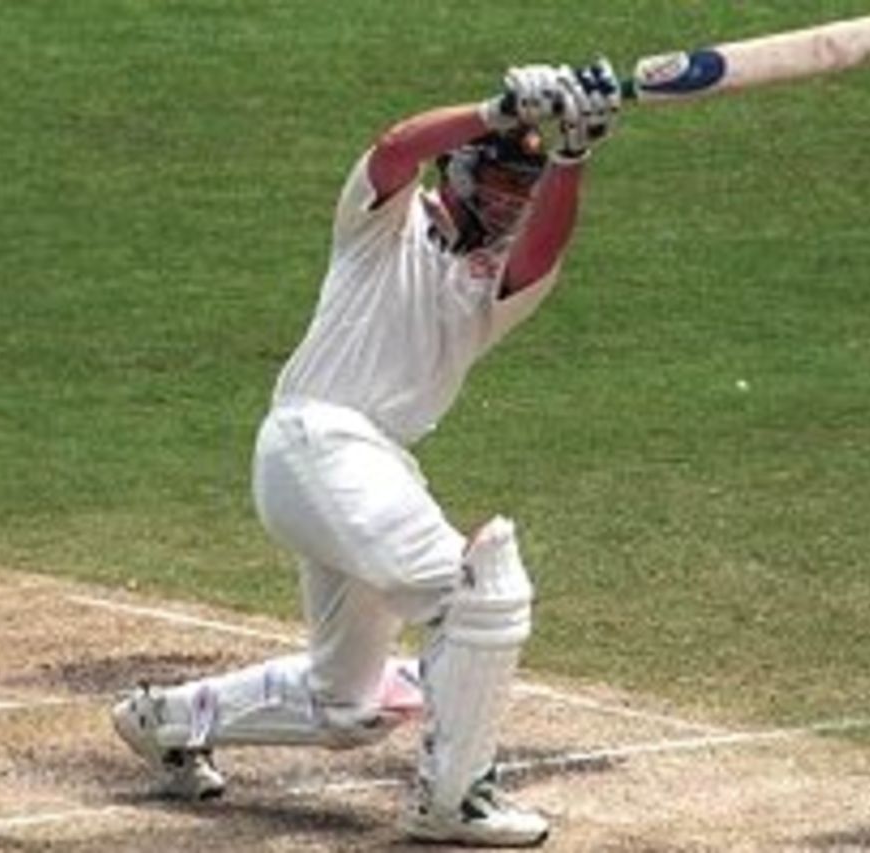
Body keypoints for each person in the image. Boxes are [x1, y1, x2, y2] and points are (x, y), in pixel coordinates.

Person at [113, 60, 621, 847]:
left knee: (344, 704)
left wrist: (572, 156)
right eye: (496, 187)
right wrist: (496, 107)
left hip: (363, 464)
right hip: (318, 438)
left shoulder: (496, 281)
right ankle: (454, 799)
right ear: (458, 174)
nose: (507, 207)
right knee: (479, 594)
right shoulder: (382, 224)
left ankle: (168, 717)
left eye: (519, 194)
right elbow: (392, 148)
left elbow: (543, 251)